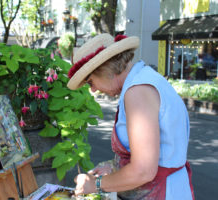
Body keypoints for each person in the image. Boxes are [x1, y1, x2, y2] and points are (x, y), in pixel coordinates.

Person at [67, 33, 195, 200]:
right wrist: (114, 167)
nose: (93, 89)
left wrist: (96, 184)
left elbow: (143, 171)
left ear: (106, 69)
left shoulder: (137, 92)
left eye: (91, 81)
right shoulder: (144, 78)